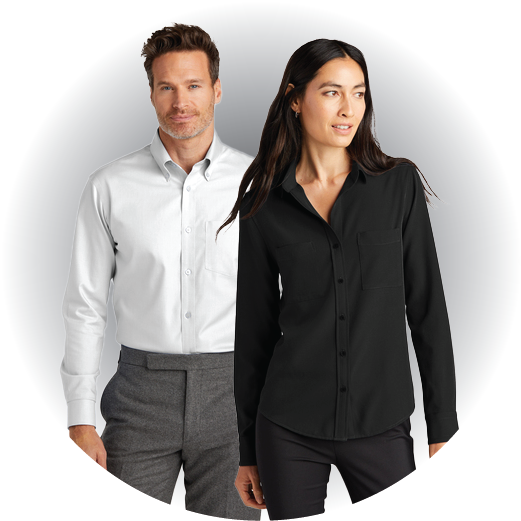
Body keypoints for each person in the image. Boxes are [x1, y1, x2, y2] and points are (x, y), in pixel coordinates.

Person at [218, 39, 459, 519]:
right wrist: (247, 449)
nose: (349, 109)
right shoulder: (264, 204)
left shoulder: (398, 186)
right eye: (332, 92)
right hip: (288, 427)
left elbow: (428, 311)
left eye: (359, 93)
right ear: (295, 98)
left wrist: (443, 429)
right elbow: (254, 333)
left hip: (382, 422)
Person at [60, 24, 261, 520]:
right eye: (166, 87)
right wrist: (80, 418)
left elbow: (293, 296)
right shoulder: (109, 186)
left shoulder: (260, 183)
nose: (180, 101)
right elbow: (85, 305)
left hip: (236, 396)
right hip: (139, 397)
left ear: (216, 89)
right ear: (150, 93)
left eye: (193, 85)